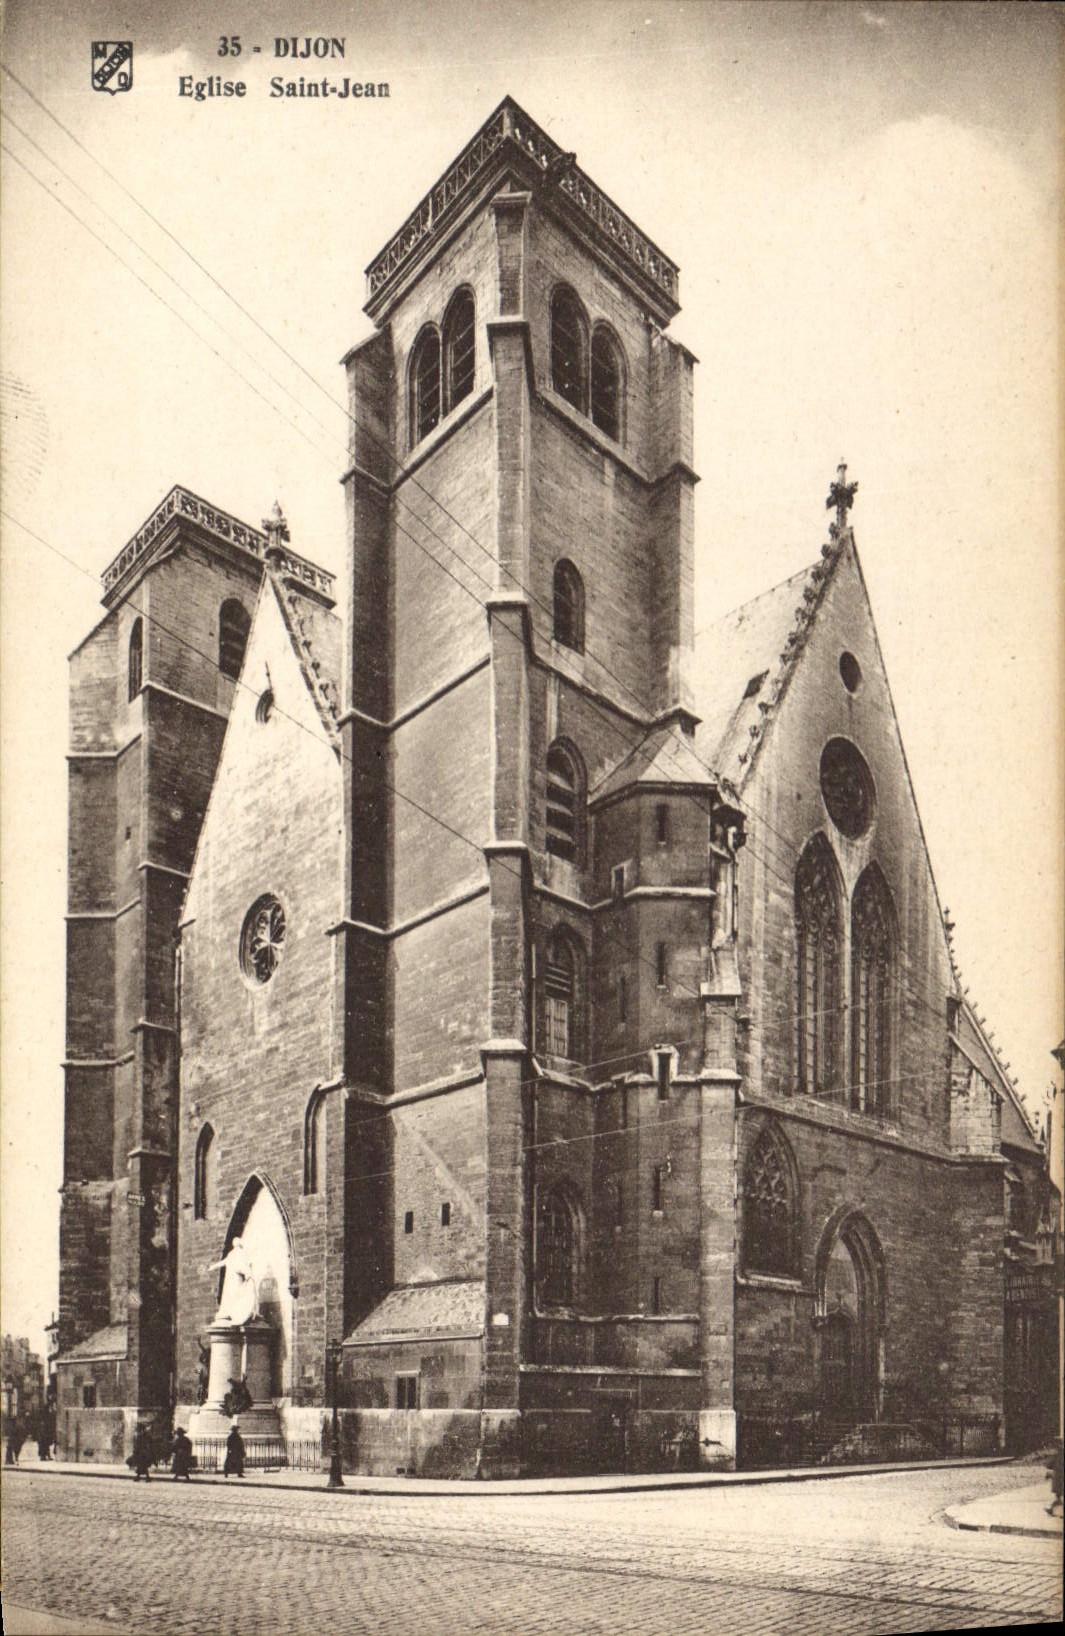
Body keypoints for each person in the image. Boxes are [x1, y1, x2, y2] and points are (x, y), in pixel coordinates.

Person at [207, 1238, 259, 1326]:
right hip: (234, 1279)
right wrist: (248, 1273)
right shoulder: (238, 1253)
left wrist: (213, 1266)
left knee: (233, 1296)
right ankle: (233, 1314)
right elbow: (242, 1266)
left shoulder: (234, 1254)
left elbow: (225, 1263)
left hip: (233, 1279)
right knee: (234, 1296)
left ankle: (234, 1314)